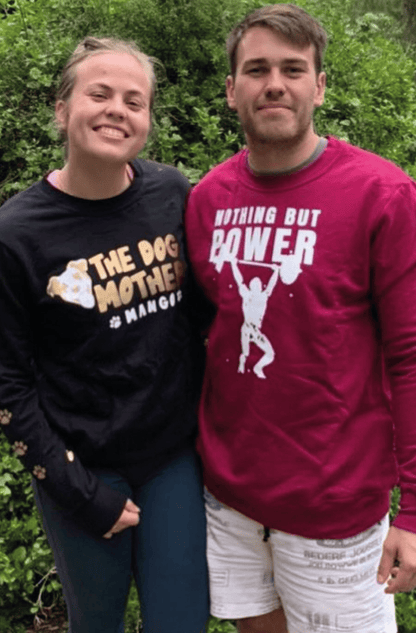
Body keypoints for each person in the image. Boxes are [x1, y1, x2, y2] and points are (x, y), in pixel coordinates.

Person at [185, 4, 416, 633]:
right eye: (256, 69)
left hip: (334, 503)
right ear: (232, 90)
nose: (275, 83)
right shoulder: (207, 199)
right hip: (229, 495)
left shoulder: (382, 194)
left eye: (293, 68)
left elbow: (410, 355)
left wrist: (413, 511)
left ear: (320, 85)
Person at [0, 37, 209, 633]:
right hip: (83, 468)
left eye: (134, 100)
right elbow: (8, 384)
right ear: (63, 109)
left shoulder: (172, 194)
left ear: (146, 121)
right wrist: (75, 488)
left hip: (173, 459)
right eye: (100, 94)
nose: (118, 109)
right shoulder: (16, 235)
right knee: (96, 624)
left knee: (182, 623)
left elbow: (204, 322)